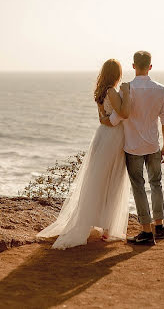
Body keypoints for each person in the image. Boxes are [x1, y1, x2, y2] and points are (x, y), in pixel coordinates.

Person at [36, 59, 131, 249]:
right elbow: (122, 114)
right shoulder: (112, 92)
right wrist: (127, 93)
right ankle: (107, 228)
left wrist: (108, 120)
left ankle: (96, 222)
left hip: (102, 136)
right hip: (114, 138)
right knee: (112, 179)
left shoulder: (101, 92)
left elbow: (102, 119)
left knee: (98, 179)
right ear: (117, 74)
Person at [100, 50, 164, 245]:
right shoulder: (161, 89)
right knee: (156, 183)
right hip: (153, 145)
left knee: (138, 186)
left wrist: (104, 119)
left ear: (133, 66)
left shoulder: (127, 89)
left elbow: (117, 118)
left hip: (132, 147)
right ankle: (160, 226)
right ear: (150, 66)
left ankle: (146, 231)